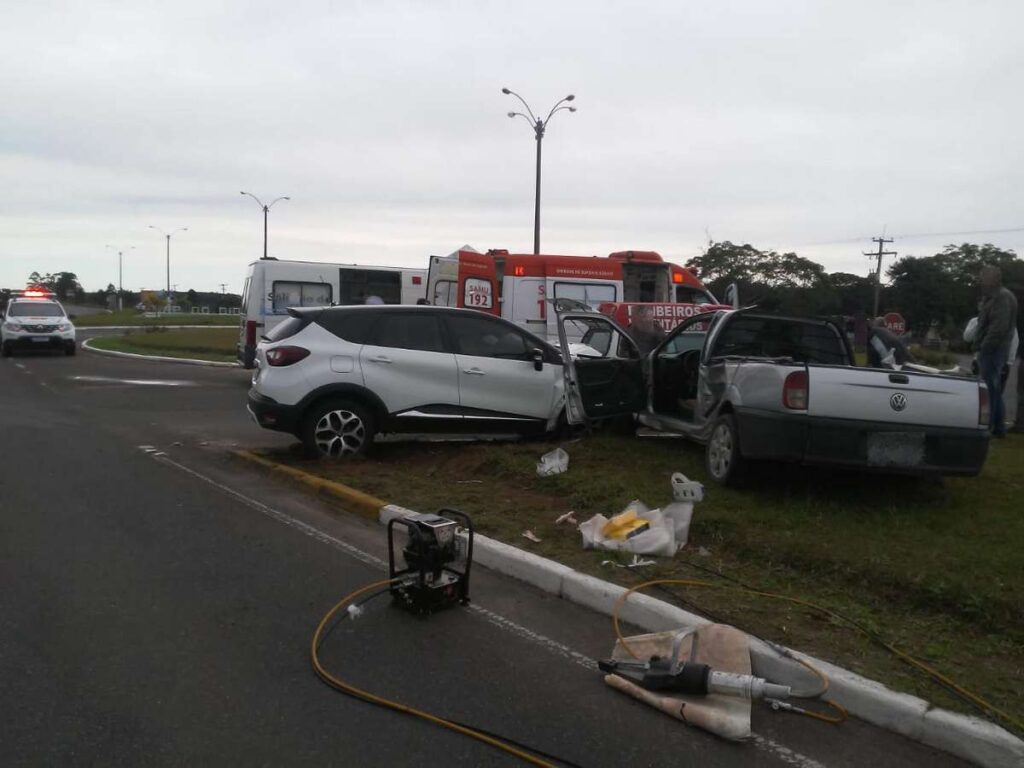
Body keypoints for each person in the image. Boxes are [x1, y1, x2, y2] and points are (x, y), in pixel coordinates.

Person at [973, 265, 1018, 437]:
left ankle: (992, 426)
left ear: (993, 279)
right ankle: (998, 427)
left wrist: (984, 347)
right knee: (993, 388)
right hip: (992, 349)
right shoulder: (992, 297)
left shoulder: (1001, 298)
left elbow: (998, 328)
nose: (981, 280)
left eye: (983, 277)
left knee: (990, 388)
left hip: (994, 350)